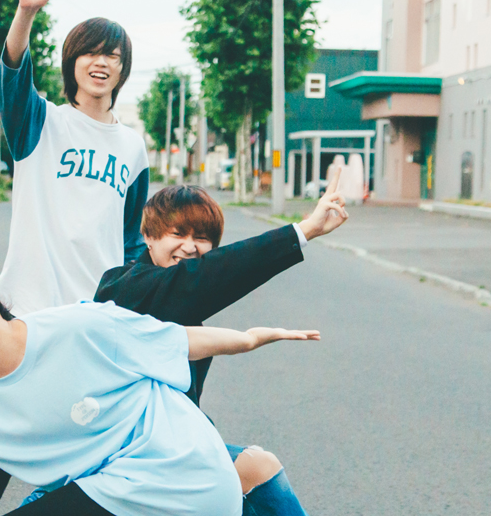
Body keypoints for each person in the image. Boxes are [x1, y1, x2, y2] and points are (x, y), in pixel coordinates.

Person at [0, 232, 320, 516]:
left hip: (185, 478)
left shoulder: (78, 326)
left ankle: (253, 470)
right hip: (115, 496)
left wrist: (250, 338)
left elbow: (179, 339)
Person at [93, 174, 349, 515]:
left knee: (246, 478)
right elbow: (203, 278)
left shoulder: (175, 292)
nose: (190, 247)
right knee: (257, 467)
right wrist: (303, 231)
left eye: (201, 238)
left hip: (167, 445)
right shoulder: (123, 286)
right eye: (178, 233)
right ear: (149, 237)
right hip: (121, 452)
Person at [0, 0, 149, 317]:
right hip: (29, 309)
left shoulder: (133, 147)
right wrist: (26, 12)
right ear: (72, 62)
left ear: (123, 68)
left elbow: (132, 239)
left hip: (98, 312)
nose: (101, 62)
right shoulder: (40, 122)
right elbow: (12, 76)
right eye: (89, 53)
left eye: (112, 55)